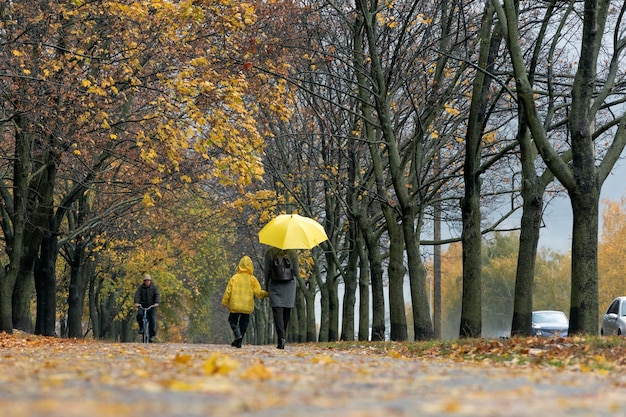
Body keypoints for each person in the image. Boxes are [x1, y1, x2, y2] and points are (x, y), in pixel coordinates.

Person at [222, 255, 268, 348]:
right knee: (244, 323)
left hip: (235, 305)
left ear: (240, 265)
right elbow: (258, 293)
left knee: (232, 321)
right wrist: (268, 294)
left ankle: (237, 336)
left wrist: (225, 302)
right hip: (247, 306)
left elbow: (228, 291)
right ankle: (239, 340)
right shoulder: (252, 279)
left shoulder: (234, 277)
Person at [264, 247, 299, 349]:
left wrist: (266, 287)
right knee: (286, 310)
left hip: (274, 285)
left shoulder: (270, 252)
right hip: (289, 285)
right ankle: (283, 335)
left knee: (277, 311)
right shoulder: (292, 253)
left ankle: (281, 338)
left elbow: (267, 272)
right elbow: (296, 272)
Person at [134, 273, 161, 342]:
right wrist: (136, 302)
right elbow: (137, 295)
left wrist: (156, 302)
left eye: (148, 280)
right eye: (146, 281)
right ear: (144, 281)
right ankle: (141, 328)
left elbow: (157, 295)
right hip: (142, 305)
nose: (147, 282)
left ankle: (151, 336)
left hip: (151, 306)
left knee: (152, 320)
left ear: (150, 281)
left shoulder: (154, 288)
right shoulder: (140, 288)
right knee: (139, 315)